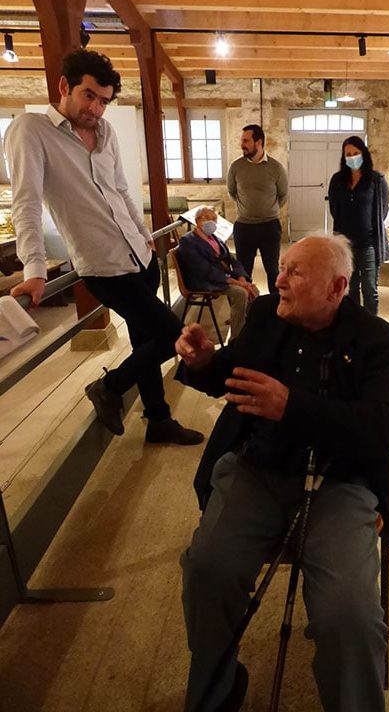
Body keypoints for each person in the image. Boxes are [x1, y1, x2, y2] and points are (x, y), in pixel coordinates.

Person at [174, 233, 389, 712]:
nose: (277, 280)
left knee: (350, 615)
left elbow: (388, 426)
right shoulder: (264, 316)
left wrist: (293, 406)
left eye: (295, 272)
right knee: (208, 570)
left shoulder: (378, 341)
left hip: (341, 484)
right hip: (258, 467)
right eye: (281, 268)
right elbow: (232, 374)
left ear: (337, 287)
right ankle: (216, 690)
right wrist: (202, 363)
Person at [5, 49, 203, 446]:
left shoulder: (106, 133)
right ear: (65, 86)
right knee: (173, 336)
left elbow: (120, 189)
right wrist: (34, 271)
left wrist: (142, 230)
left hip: (140, 255)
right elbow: (24, 202)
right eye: (89, 96)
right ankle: (110, 387)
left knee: (146, 339)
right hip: (103, 266)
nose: (96, 109)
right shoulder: (31, 130)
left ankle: (158, 419)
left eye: (104, 101)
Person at [327, 136, 389, 315]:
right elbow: (334, 209)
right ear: (343, 157)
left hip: (369, 243)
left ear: (363, 154)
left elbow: (382, 211)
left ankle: (371, 327)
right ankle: (353, 324)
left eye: (356, 153)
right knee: (350, 287)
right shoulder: (338, 180)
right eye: (348, 154)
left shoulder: (376, 180)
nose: (352, 157)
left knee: (370, 289)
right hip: (345, 245)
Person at [176, 206, 259, 339]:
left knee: (253, 290)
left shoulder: (214, 237)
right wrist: (236, 282)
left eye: (214, 219)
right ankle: (236, 340)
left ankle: (244, 327)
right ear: (197, 220)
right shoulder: (188, 241)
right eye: (208, 218)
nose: (212, 222)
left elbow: (231, 259)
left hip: (220, 277)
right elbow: (204, 270)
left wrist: (242, 278)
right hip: (204, 280)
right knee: (241, 293)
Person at [226, 124, 288, 293]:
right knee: (243, 271)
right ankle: (248, 310)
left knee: (272, 271)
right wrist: (247, 209)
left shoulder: (276, 168)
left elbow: (283, 195)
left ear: (259, 142)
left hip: (270, 227)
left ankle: (275, 310)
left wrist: (268, 210)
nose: (242, 144)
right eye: (242, 140)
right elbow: (232, 192)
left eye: (246, 140)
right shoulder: (236, 167)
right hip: (244, 227)